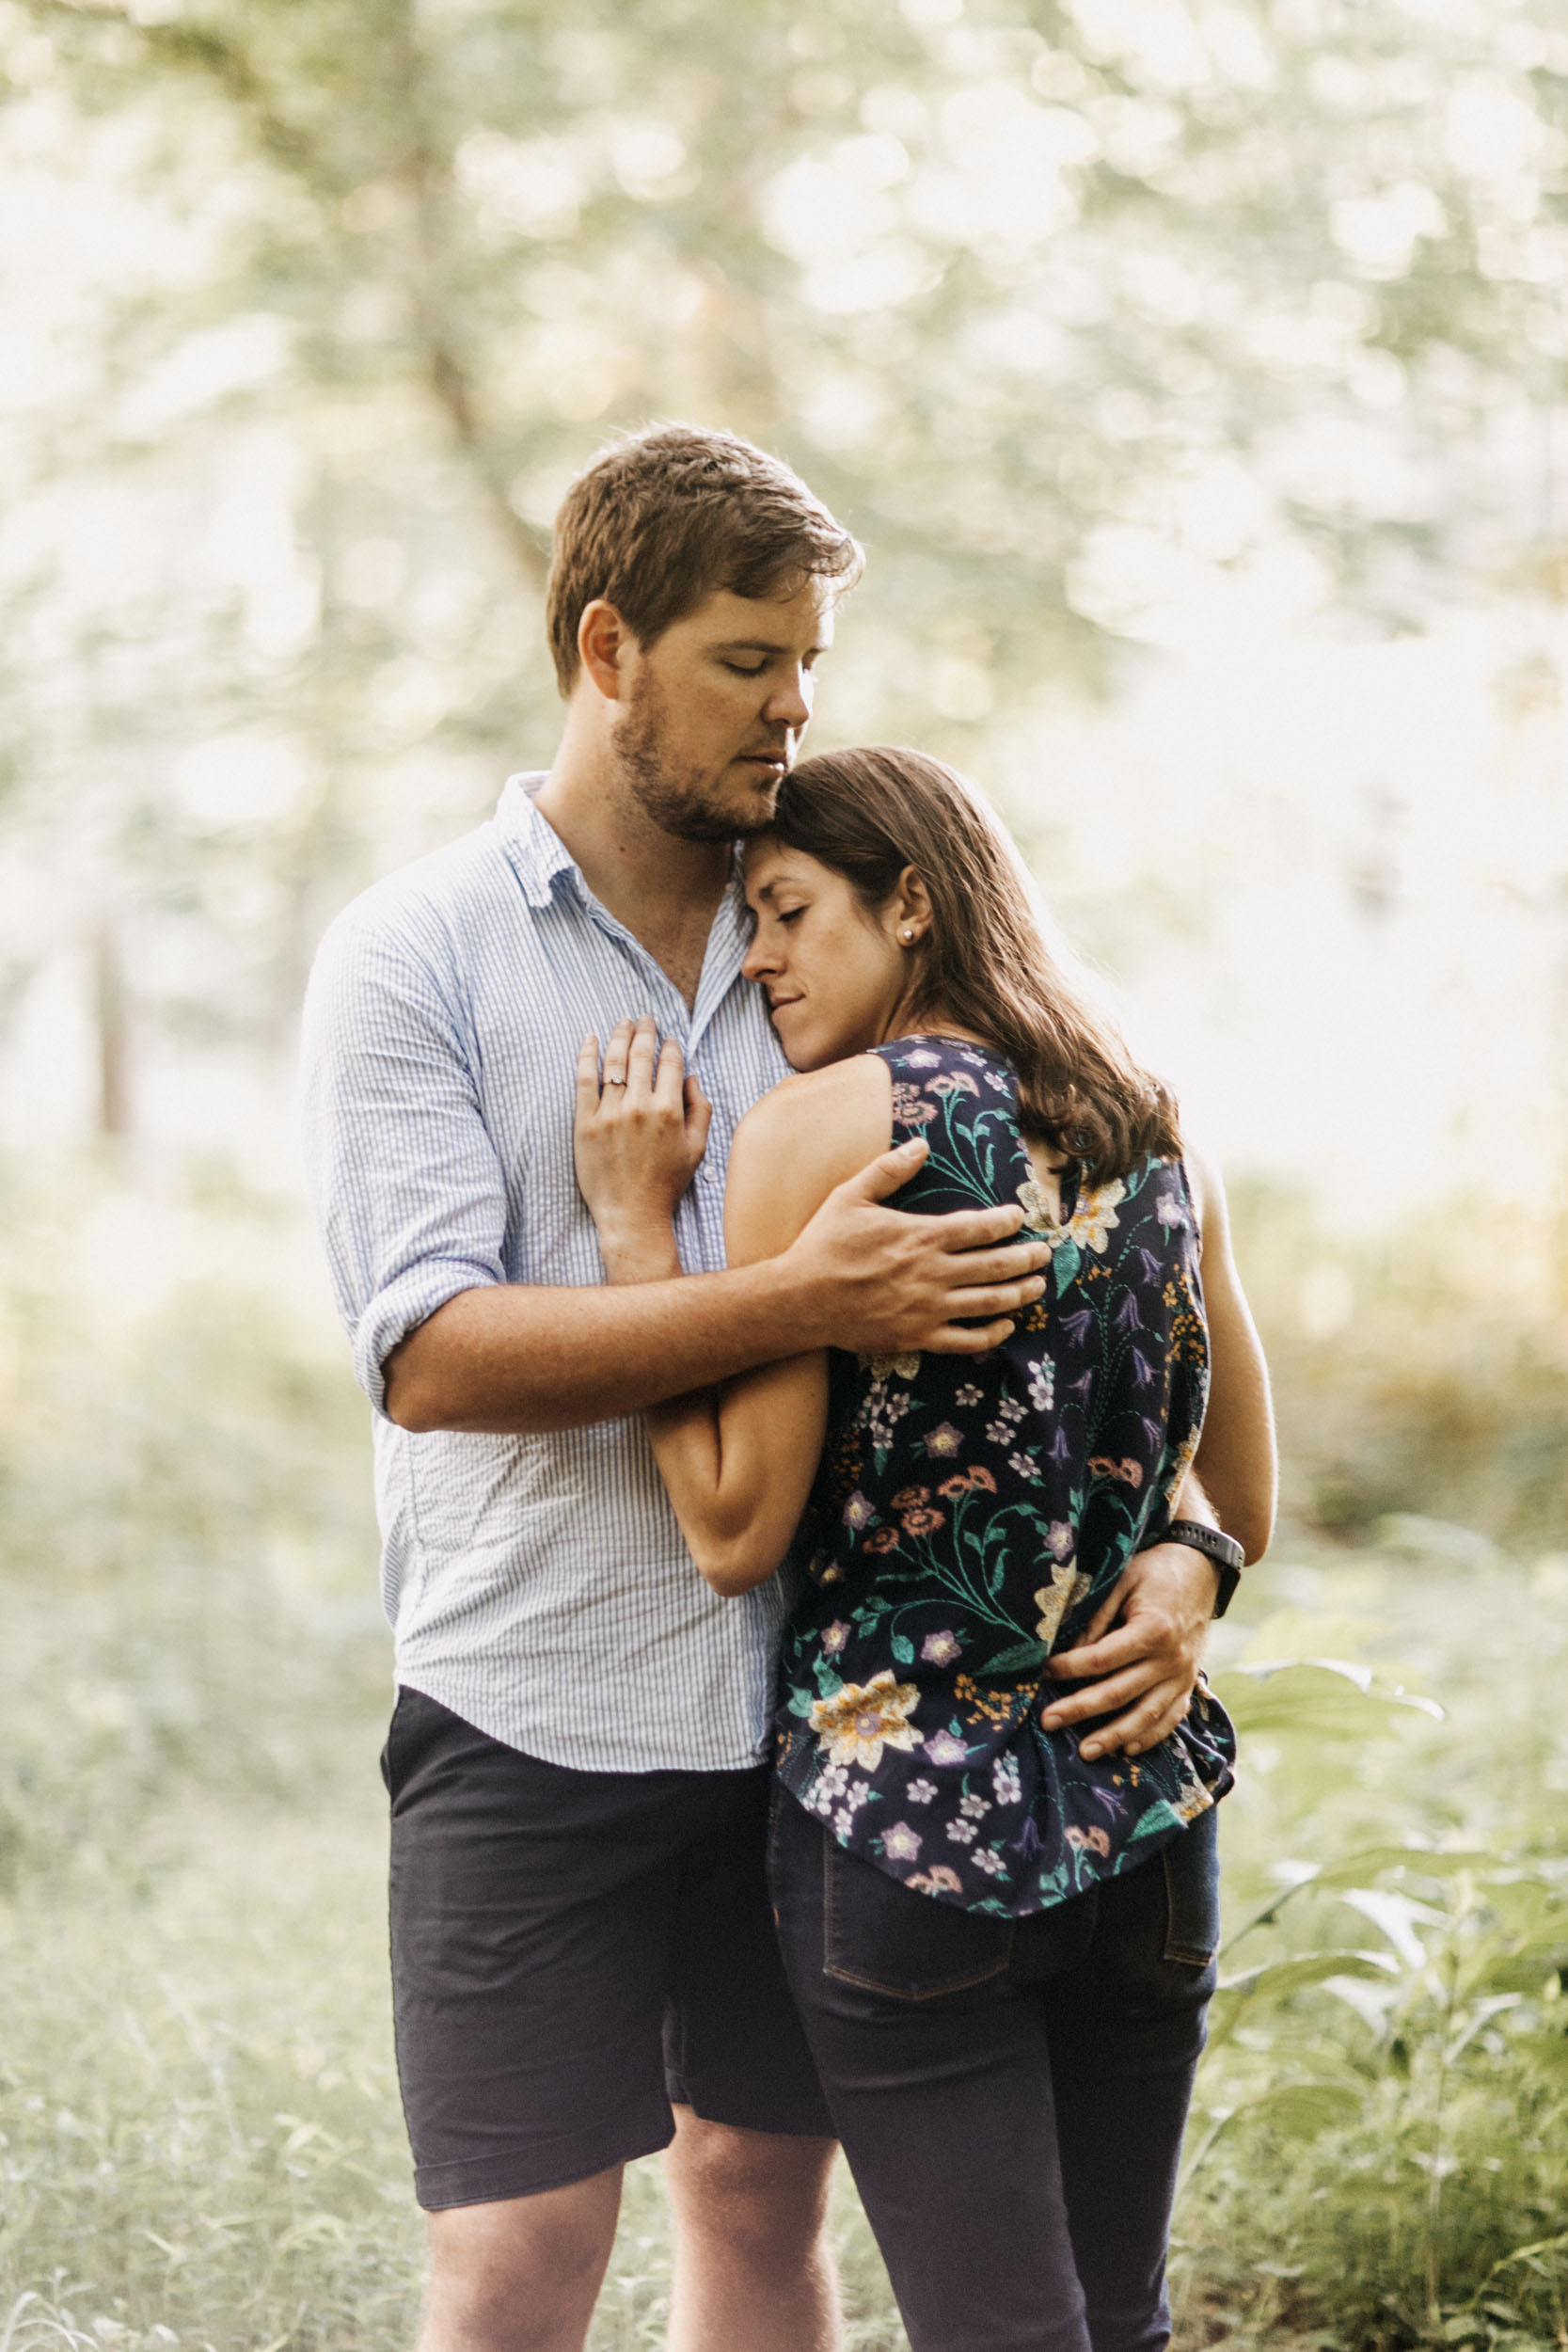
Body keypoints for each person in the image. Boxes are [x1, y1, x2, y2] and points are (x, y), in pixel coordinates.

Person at [299, 425, 1065, 2352]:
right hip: (526, 1704)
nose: (796, 707)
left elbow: (1090, 1194)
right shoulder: (416, 954)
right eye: (751, 658)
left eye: (812, 664)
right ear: (607, 646)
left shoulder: (823, 915)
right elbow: (435, 1356)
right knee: (519, 2254)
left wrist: (1195, 1542)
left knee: (757, 2211)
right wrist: (789, 1293)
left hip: (809, 1709)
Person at [572, 745, 1277, 2352]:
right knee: (1123, 2320)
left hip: (907, 1838)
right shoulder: (1152, 1116)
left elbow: (736, 1528)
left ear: (912, 902)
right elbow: (1239, 1485)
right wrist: (1192, 1570)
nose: (757, 959)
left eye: (788, 911)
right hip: (1145, 1816)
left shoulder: (818, 1136)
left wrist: (632, 1231)